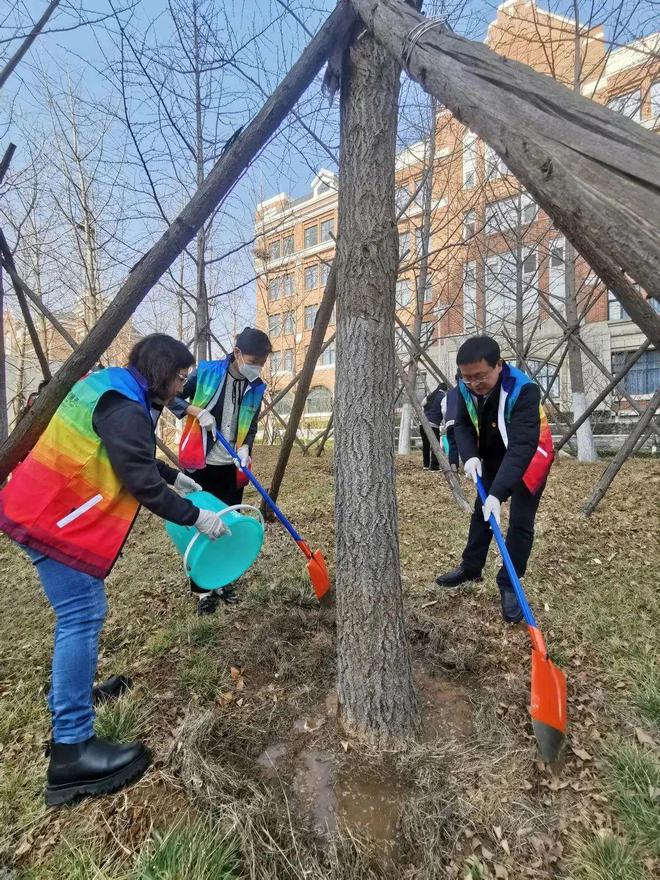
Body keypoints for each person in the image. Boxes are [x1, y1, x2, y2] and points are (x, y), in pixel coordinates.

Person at [0, 334, 230, 806]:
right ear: (162, 371)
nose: (182, 389)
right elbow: (139, 479)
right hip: (51, 518)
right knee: (82, 614)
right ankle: (71, 750)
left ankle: (75, 697)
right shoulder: (125, 404)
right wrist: (196, 516)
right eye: (180, 378)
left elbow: (131, 455)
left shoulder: (118, 389)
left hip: (44, 509)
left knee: (81, 614)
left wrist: (176, 478)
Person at [435, 336, 554, 623]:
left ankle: (509, 584)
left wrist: (498, 494)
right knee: (482, 514)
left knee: (520, 523)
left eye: (480, 376)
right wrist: (470, 456)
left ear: (498, 365)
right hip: (491, 454)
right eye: (467, 378)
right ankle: (471, 567)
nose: (474, 383)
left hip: (529, 456)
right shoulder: (463, 388)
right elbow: (461, 423)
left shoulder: (524, 390)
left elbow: (522, 446)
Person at [170, 327, 271, 614]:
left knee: (229, 523)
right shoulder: (207, 373)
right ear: (237, 352)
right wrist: (196, 412)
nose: (257, 368)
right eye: (253, 360)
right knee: (202, 524)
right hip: (201, 464)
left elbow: (250, 424)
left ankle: (222, 580)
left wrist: (245, 448)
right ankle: (203, 590)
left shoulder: (256, 386)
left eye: (262, 363)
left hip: (231, 465)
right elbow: (170, 397)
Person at [420, 383, 446, 470]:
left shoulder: (430, 395)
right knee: (435, 445)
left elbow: (422, 404)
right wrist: (444, 423)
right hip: (433, 424)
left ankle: (425, 465)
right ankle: (434, 466)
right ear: (445, 389)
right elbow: (444, 411)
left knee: (426, 445)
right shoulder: (443, 396)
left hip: (423, 423)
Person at [441, 375, 461, 472]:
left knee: (452, 445)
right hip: (460, 420)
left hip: (449, 421)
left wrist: (445, 422)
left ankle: (454, 466)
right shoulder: (466, 390)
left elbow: (444, 409)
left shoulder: (449, 393)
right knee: (465, 442)